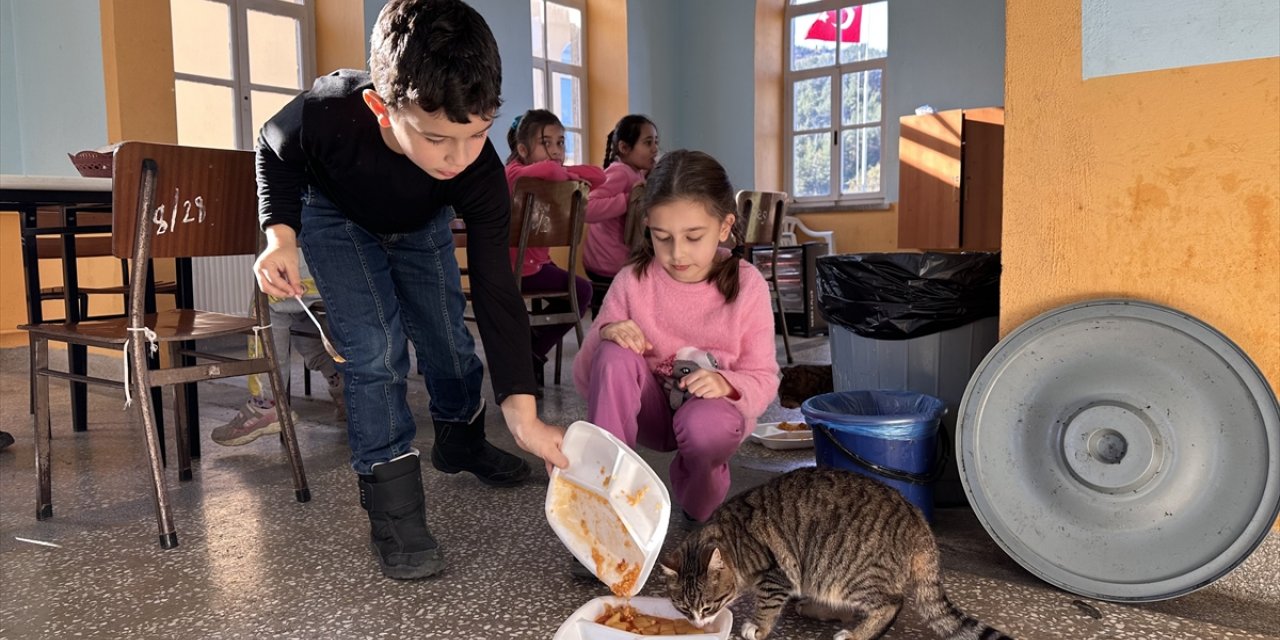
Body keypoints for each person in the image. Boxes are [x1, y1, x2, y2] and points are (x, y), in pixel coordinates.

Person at [252, 0, 568, 581]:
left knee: (449, 340)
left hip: (422, 223)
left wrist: (521, 414)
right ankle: (394, 510)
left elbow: (497, 288)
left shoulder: (476, 169)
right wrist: (280, 235)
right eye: (438, 138)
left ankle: (460, 442)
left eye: (477, 135)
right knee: (374, 351)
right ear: (381, 107)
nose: (459, 157)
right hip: (335, 216)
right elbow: (273, 149)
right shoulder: (328, 111)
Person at [572, 150, 780, 523]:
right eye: (662, 237)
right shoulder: (633, 280)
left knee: (705, 431)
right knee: (614, 354)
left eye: (693, 237)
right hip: (649, 410)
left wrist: (726, 383)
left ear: (724, 226)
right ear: (648, 224)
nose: (677, 253)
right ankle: (606, 498)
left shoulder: (747, 284)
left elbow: (764, 377)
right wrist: (607, 331)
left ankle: (698, 497)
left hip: (708, 416)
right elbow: (588, 375)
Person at [503, 109, 601, 384]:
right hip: (512, 269)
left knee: (579, 292)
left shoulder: (554, 175)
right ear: (522, 149)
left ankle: (532, 350)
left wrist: (565, 170)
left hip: (539, 267)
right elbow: (548, 170)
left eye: (560, 142)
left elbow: (598, 176)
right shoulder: (513, 174)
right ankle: (530, 352)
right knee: (581, 291)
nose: (556, 150)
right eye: (546, 143)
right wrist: (564, 172)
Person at [211, 254, 344, 446]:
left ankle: (265, 402)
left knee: (269, 296)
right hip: (376, 254)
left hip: (353, 259)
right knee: (294, 305)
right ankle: (341, 383)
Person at [583, 114, 660, 317]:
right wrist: (629, 200)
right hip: (607, 262)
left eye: (656, 142)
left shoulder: (638, 174)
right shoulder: (620, 172)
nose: (655, 149)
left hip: (620, 259)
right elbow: (587, 209)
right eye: (648, 143)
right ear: (624, 148)